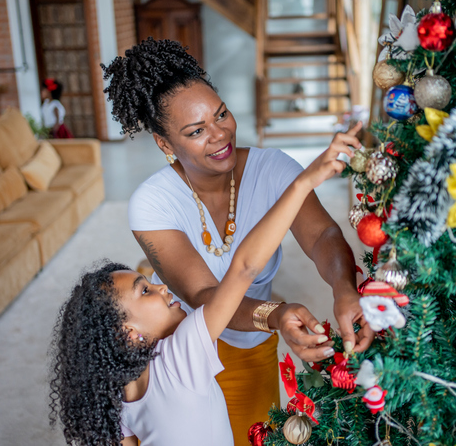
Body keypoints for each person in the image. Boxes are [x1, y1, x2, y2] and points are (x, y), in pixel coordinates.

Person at [101, 38, 374, 443]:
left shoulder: (272, 168)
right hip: (184, 354)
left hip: (252, 343)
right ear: (164, 144)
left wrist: (343, 289)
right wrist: (278, 314)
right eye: (196, 131)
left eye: (221, 114)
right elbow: (205, 295)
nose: (219, 134)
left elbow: (324, 235)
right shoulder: (151, 203)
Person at [48, 127, 362, 445]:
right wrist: (303, 183)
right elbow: (243, 269)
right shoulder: (181, 353)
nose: (163, 288)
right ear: (128, 334)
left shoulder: (118, 398)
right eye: (145, 290)